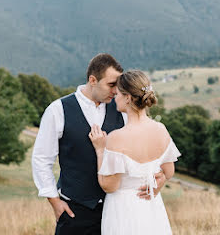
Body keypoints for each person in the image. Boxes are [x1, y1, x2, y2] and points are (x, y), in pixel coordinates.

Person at [32, 54, 168, 235]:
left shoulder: (124, 110)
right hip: (75, 211)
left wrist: (161, 177)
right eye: (111, 85)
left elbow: (147, 145)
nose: (115, 91)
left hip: (118, 211)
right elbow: (41, 159)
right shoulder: (58, 110)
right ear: (93, 80)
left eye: (118, 87)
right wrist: (54, 201)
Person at [89, 70, 181, 235]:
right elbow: (169, 171)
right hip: (152, 208)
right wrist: (156, 180)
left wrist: (100, 149)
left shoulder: (116, 138)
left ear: (127, 98)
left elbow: (109, 185)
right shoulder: (160, 130)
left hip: (123, 211)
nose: (114, 98)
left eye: (117, 93)